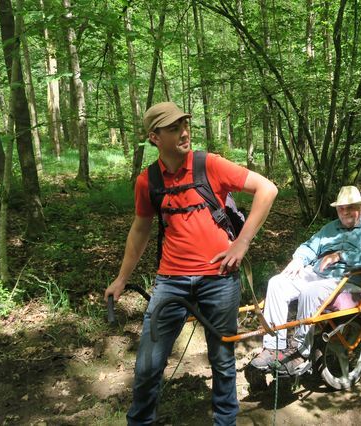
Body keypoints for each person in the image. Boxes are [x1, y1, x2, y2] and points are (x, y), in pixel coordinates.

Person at [103, 102, 278, 426]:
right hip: (170, 282)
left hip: (219, 279)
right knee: (147, 365)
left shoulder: (208, 164)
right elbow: (140, 229)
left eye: (185, 124)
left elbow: (267, 189)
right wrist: (121, 278)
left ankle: (225, 421)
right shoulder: (148, 181)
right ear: (154, 137)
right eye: (174, 128)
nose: (184, 131)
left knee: (222, 361)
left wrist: (242, 242)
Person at [250, 186, 361, 374]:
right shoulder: (329, 228)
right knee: (277, 283)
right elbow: (310, 246)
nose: (345, 211)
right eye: (341, 208)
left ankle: (300, 350)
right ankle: (274, 346)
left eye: (350, 207)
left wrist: (340, 255)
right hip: (318, 274)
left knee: (310, 291)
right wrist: (299, 259)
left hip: (350, 279)